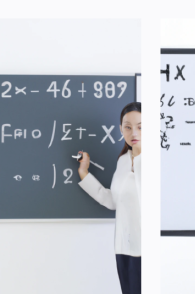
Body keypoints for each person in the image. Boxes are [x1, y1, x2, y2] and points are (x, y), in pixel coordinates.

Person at [77, 101, 142, 294]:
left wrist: (139, 156)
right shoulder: (122, 161)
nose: (134, 133)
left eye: (141, 126)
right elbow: (113, 201)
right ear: (121, 129)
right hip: (124, 247)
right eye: (128, 127)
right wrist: (84, 172)